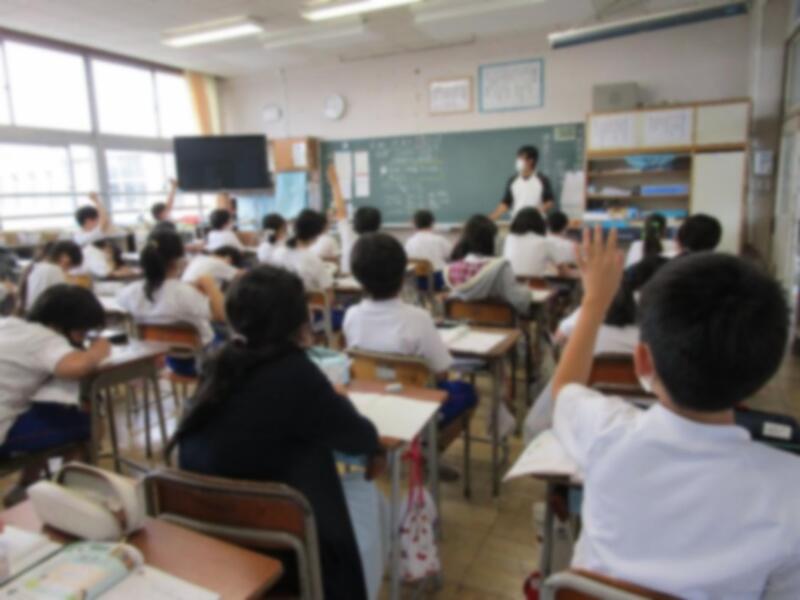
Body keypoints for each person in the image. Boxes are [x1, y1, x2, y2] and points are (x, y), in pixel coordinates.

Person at [550, 227, 799, 597]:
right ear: (762, 380)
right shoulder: (790, 493)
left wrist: (594, 302)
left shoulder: (606, 431)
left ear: (642, 361)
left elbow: (563, 392)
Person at [170, 266, 383, 600]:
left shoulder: (218, 364)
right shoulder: (296, 374)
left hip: (214, 537)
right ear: (299, 322)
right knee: (364, 493)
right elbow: (360, 437)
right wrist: (339, 404)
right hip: (285, 549)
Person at [523, 255, 665, 442]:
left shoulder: (587, 319)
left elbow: (558, 339)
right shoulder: (659, 334)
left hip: (588, 418)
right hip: (651, 424)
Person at [345, 233, 478, 430]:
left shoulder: (351, 315)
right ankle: (429, 442)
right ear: (403, 275)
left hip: (370, 405)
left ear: (357, 277)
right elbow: (441, 373)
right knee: (467, 391)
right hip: (417, 408)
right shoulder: (418, 318)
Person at [0, 285, 110, 502]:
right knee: (91, 424)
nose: (82, 338)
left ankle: (27, 486)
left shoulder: (9, 324)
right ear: (63, 324)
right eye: (81, 332)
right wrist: (98, 350)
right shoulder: (47, 340)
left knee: (49, 414)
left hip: (11, 414)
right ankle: (66, 497)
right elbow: (77, 367)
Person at [116, 231, 225, 376]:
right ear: (178, 260)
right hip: (203, 362)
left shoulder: (128, 292)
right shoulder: (184, 293)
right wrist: (209, 284)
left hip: (165, 360)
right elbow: (222, 315)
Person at [446, 215, 531, 315]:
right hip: (499, 322)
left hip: (462, 321)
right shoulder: (501, 267)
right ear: (492, 240)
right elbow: (519, 301)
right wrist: (527, 291)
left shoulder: (453, 268)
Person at [327, 164, 382, 274]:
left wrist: (335, 183)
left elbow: (341, 210)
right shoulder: (380, 243)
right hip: (369, 281)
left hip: (346, 279)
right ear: (378, 224)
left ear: (356, 221)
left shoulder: (348, 234)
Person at [273, 209, 334, 292]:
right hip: (303, 299)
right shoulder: (312, 259)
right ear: (316, 234)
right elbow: (328, 291)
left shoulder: (278, 252)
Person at [490, 146, 554, 221]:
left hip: (537, 221)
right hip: (517, 221)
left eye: (521, 158)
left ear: (530, 161)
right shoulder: (512, 180)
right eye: (518, 158)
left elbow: (549, 202)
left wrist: (535, 212)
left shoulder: (542, 179)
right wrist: (491, 217)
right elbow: (506, 203)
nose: (518, 161)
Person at [20, 241, 83, 312]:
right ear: (65, 258)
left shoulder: (36, 267)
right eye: (70, 266)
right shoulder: (55, 270)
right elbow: (61, 301)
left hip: (32, 313)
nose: (67, 271)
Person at [502, 207, 558, 278]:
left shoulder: (509, 238)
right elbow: (559, 267)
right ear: (540, 223)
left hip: (509, 280)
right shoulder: (544, 241)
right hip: (535, 282)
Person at [404, 209, 451, 291]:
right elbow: (451, 256)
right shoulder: (440, 240)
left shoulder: (409, 242)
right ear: (432, 223)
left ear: (414, 223)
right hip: (439, 280)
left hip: (417, 281)